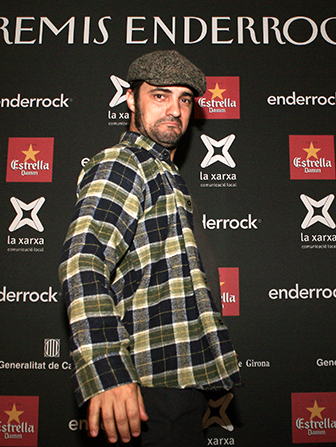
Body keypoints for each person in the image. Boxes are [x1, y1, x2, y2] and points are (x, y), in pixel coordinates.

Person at [59, 50, 241, 446]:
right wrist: (108, 371)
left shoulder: (165, 174)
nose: (174, 109)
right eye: (160, 96)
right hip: (143, 389)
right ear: (131, 100)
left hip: (177, 382)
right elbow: (84, 261)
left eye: (184, 99)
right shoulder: (124, 163)